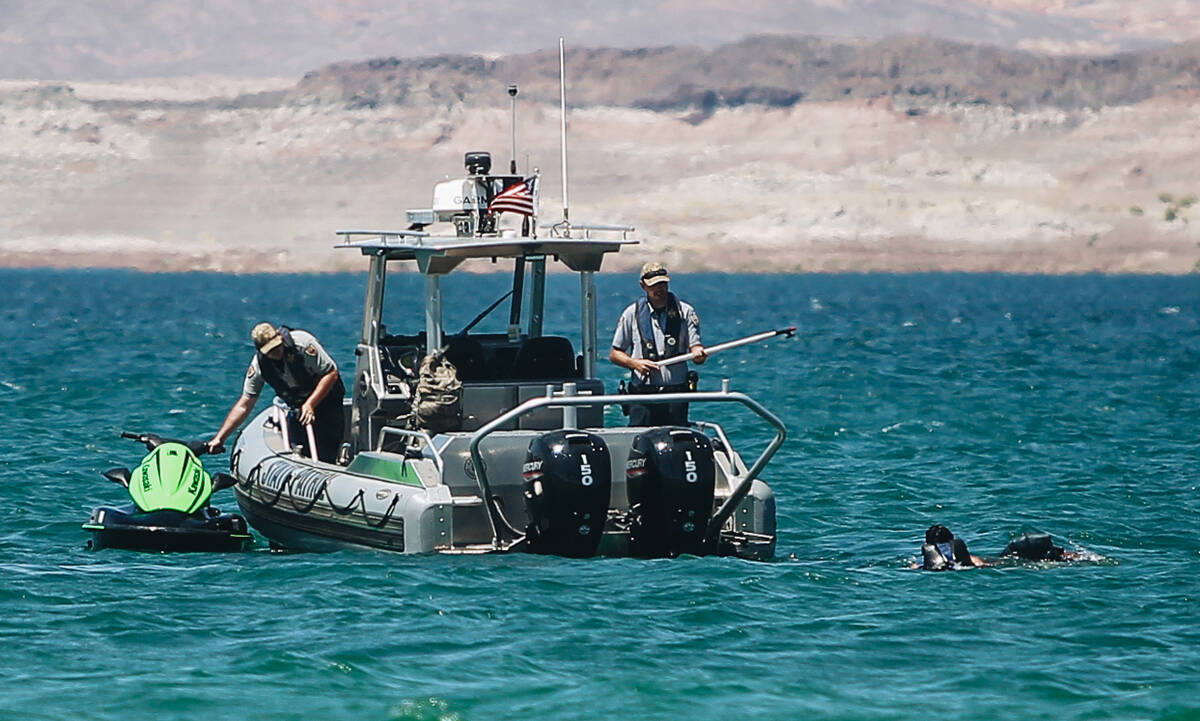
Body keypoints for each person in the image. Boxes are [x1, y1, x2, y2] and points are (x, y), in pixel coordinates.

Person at [207, 322, 345, 463]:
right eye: (270, 351)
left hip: (327, 399)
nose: (276, 352)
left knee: (327, 447)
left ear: (280, 337)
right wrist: (220, 438)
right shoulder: (259, 366)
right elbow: (245, 403)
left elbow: (330, 373)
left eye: (277, 346)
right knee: (300, 448)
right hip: (297, 405)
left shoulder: (303, 344)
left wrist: (311, 404)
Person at [610, 261, 707, 426]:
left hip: (675, 394)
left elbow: (696, 349)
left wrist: (699, 355)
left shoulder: (685, 312)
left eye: (662, 284)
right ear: (643, 286)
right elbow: (615, 354)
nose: (659, 289)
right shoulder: (631, 313)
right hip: (643, 395)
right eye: (654, 285)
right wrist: (635, 363)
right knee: (640, 440)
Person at [918, 524, 1078, 571]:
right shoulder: (962, 556)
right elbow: (980, 564)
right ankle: (1069, 556)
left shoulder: (927, 563)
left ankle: (1065, 556)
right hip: (1002, 561)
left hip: (1001, 563)